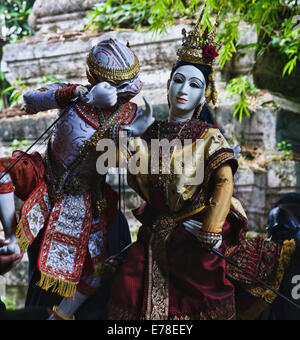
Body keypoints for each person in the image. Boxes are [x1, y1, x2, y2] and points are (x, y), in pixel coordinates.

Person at [107, 12, 296, 320]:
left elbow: (224, 182)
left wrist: (211, 227)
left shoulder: (209, 137)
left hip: (196, 231)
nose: (183, 89)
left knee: (201, 298)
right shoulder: (152, 133)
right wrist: (132, 137)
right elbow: (138, 180)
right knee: (126, 292)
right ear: (168, 85)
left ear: (202, 96)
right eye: (178, 80)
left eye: (194, 84)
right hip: (157, 231)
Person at [0, 38, 153, 320]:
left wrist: (133, 137)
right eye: (118, 84)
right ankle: (10, 238)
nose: (128, 89)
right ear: (93, 78)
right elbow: (29, 101)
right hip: (45, 182)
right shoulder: (74, 95)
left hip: (89, 199)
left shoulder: (130, 114)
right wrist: (80, 94)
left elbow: (126, 164)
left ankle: (60, 317)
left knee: (97, 271)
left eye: (130, 82)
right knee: (44, 275)